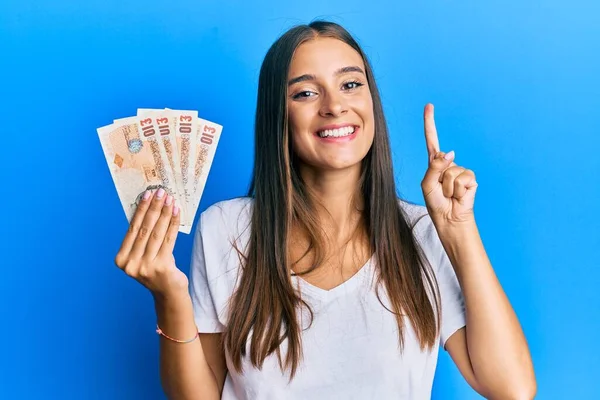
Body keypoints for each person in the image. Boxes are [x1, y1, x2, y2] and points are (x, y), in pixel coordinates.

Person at [114, 21, 536, 400]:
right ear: (279, 116)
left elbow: (511, 387)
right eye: (305, 92)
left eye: (350, 84)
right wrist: (169, 297)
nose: (334, 105)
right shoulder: (225, 228)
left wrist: (457, 228)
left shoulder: (424, 233)